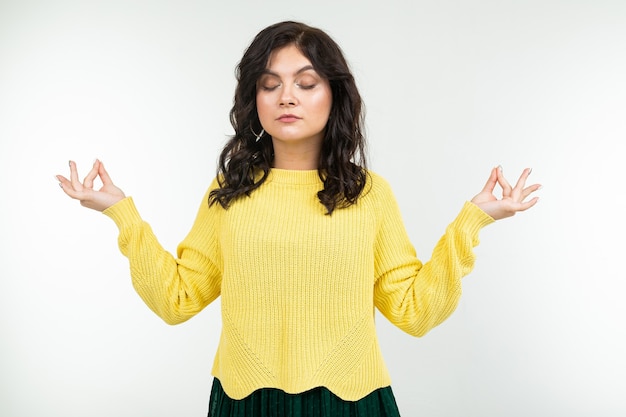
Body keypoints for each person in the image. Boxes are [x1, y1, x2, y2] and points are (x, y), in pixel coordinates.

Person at [56, 21, 540, 417]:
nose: (287, 97)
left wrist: (471, 222)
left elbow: (414, 312)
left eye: (306, 84)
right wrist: (123, 215)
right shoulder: (228, 193)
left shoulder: (369, 194)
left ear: (333, 95)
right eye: (270, 85)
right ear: (255, 100)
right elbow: (176, 300)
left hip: (350, 402)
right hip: (245, 402)